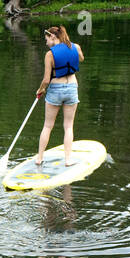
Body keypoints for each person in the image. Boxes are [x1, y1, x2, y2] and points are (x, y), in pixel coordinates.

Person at [32, 26, 84, 168]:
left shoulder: (50, 55)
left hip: (56, 89)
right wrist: (70, 50)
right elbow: (81, 58)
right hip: (72, 87)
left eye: (47, 39)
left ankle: (39, 158)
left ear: (53, 37)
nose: (46, 42)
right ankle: (68, 160)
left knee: (48, 126)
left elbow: (46, 80)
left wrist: (40, 90)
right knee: (68, 126)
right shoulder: (76, 47)